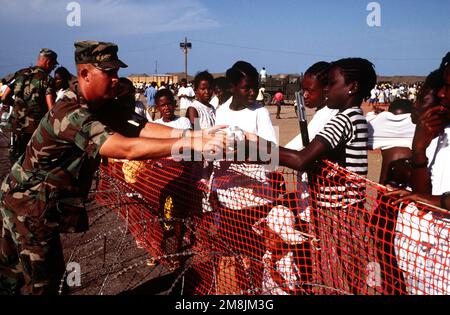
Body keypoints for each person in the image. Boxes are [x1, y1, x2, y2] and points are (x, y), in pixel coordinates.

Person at [0, 40, 226, 295]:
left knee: (15, 281)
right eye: (108, 72)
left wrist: (195, 135)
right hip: (28, 206)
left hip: (31, 201)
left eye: (117, 71)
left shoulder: (101, 106)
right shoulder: (71, 111)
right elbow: (125, 148)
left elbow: (140, 127)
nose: (116, 79)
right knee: (41, 286)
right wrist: (192, 144)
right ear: (85, 74)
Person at [278, 57, 377, 294]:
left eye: (332, 83)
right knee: (348, 276)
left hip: (337, 215)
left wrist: (254, 148)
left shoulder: (343, 120)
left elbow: (301, 159)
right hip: (346, 212)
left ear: (351, 87)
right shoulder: (357, 118)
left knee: (335, 280)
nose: (327, 89)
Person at [1, 48, 58, 161]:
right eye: (53, 66)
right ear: (48, 62)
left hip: (16, 124)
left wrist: (18, 106)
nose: (52, 69)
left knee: (15, 159)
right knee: (31, 160)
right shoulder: (47, 80)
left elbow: (4, 97)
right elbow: (51, 107)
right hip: (35, 128)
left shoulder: (19, 74)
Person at [252, 205, 308, 295]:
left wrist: (272, 269)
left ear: (283, 240)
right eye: (265, 237)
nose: (266, 242)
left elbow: (289, 289)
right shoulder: (270, 253)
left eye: (271, 238)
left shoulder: (288, 261)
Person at [367, 99, 415, 184]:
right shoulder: (419, 130)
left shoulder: (378, 128)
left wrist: (374, 115)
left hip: (386, 184)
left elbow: (367, 122)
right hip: (414, 185)